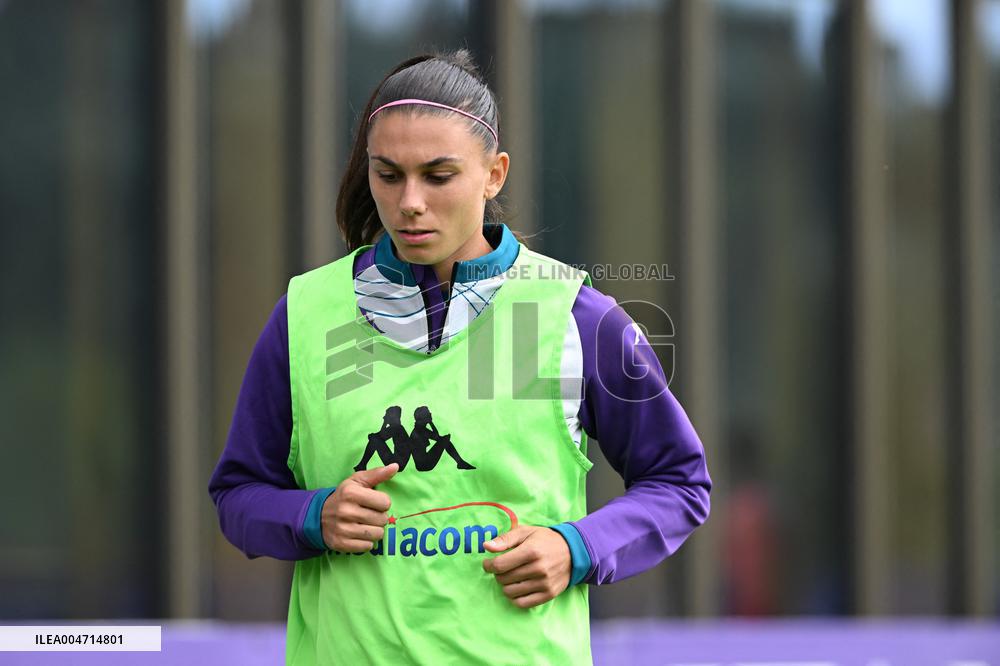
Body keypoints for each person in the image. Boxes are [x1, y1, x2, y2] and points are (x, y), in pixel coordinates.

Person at [208, 49, 711, 665]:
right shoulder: (305, 314)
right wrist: (312, 516)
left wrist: (576, 548)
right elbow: (238, 495)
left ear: (494, 174)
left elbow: (679, 484)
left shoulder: (576, 316)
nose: (409, 202)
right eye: (388, 175)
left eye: (438, 175)